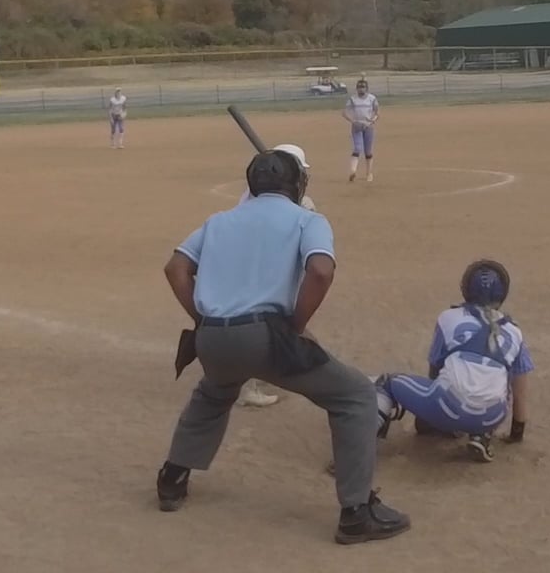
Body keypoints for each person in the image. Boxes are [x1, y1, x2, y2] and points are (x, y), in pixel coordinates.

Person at [155, 148, 410, 544]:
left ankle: (172, 479)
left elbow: (176, 268)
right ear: (298, 184)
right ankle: (357, 513)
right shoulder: (308, 220)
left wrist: (203, 319)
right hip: (267, 336)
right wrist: (296, 325)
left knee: (215, 391)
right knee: (356, 395)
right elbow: (321, 271)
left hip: (213, 338)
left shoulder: (220, 220)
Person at [374, 260, 533, 464]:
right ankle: (481, 434)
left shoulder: (449, 318)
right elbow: (520, 394)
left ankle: (362, 442)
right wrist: (516, 434)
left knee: (387, 383)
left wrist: (430, 417)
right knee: (501, 384)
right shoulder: (515, 331)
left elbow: (435, 370)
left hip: (447, 406)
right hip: (491, 417)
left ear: (466, 289)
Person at [227, 142, 321, 410]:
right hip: (257, 274)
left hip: (255, 271)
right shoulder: (278, 202)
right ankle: (246, 388)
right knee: (263, 325)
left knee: (270, 327)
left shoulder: (257, 194)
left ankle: (271, 368)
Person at [343, 78, 379, 183]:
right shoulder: (353, 99)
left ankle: (369, 173)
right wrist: (353, 121)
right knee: (357, 148)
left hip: (368, 127)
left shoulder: (372, 99)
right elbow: (345, 113)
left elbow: (377, 112)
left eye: (363, 87)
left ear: (366, 88)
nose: (361, 89)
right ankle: (353, 171)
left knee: (368, 151)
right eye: (359, 87)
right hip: (357, 127)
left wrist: (373, 119)